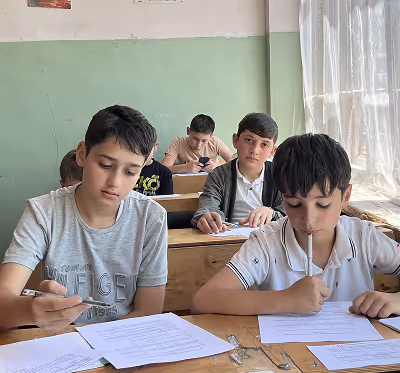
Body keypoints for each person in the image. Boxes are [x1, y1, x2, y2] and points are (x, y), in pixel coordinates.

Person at [192, 133, 400, 318]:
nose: (308, 220)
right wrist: (287, 299)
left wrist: (396, 301)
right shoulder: (266, 242)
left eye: (323, 204)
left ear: (345, 196)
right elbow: (203, 300)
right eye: (294, 204)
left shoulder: (364, 238)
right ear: (282, 198)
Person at [0, 105, 168, 332]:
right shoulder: (43, 212)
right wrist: (31, 311)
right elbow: (3, 301)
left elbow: (148, 311)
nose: (115, 183)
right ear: (82, 154)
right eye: (105, 165)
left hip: (122, 344)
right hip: (60, 344)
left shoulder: (151, 217)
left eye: (130, 172)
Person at [192, 113, 285, 234]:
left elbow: (291, 216)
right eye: (249, 140)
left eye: (264, 144)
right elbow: (207, 208)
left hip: (270, 243)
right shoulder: (218, 175)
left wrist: (272, 213)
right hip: (228, 242)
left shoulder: (281, 176)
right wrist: (206, 217)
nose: (255, 150)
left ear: (272, 151)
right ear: (235, 141)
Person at [161, 114, 233, 174]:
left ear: (211, 136)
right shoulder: (178, 143)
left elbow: (236, 162)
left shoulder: (215, 142)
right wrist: (184, 168)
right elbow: (162, 170)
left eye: (204, 141)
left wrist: (216, 166)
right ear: (188, 131)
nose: (198, 145)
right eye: (195, 138)